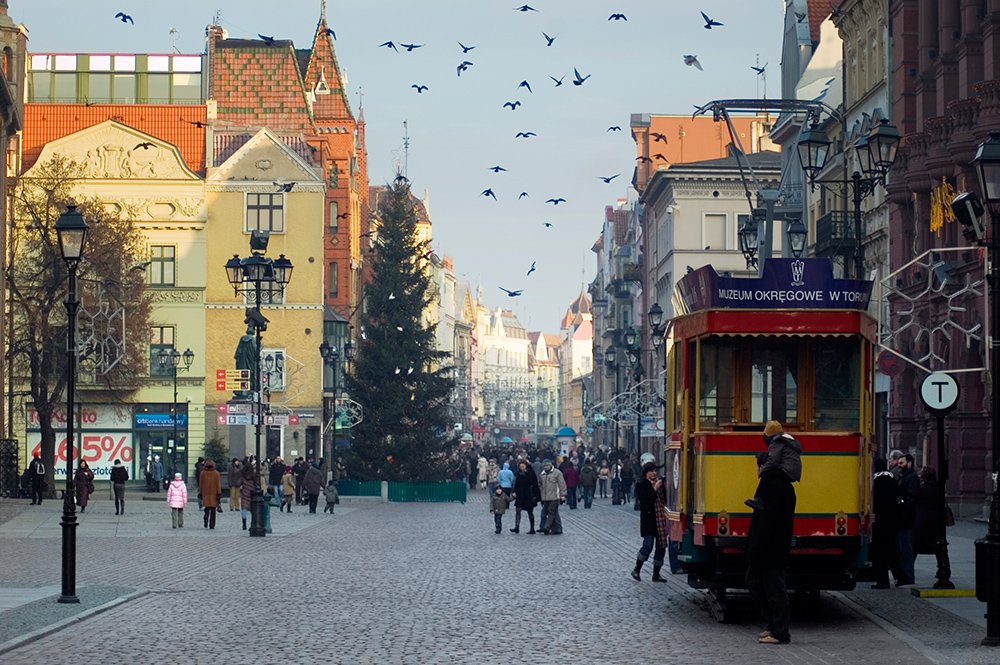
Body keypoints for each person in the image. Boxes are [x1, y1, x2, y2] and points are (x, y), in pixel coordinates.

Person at [746, 451, 796, 645]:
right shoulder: (782, 485)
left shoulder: (771, 485)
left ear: (763, 466)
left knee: (773, 588)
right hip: (772, 547)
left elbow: (766, 523)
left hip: (769, 548)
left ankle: (780, 631)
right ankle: (773, 625)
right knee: (759, 583)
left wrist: (755, 547)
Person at [744, 421, 802, 512]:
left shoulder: (777, 441)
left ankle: (758, 499)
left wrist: (762, 471)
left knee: (768, 474)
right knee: (771, 473)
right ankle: (758, 499)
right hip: (793, 472)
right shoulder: (787, 439)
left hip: (786, 470)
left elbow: (773, 461)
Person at [913, 465, 953, 589]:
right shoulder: (939, 489)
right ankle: (944, 571)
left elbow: (914, 502)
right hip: (937, 523)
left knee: (914, 547)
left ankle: (908, 573)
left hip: (922, 523)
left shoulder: (921, 489)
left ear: (924, 477)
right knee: (940, 548)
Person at [631, 462, 669, 582]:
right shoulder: (641, 484)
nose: (654, 473)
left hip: (660, 519)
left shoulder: (660, 484)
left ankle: (656, 574)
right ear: (646, 473)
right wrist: (654, 489)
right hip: (649, 521)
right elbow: (645, 500)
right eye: (652, 471)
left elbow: (665, 499)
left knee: (661, 547)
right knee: (648, 545)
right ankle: (637, 569)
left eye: (655, 471)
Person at [870, 458, 901, 589]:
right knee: (892, 550)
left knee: (879, 553)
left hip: (879, 521)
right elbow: (898, 497)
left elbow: (873, 501)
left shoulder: (875, 480)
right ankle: (900, 577)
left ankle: (882, 580)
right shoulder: (891, 478)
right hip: (891, 520)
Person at [895, 453, 919, 586]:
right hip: (902, 518)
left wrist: (900, 502)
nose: (899, 465)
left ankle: (908, 576)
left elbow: (911, 497)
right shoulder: (903, 476)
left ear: (909, 463)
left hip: (906, 518)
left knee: (905, 549)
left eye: (901, 463)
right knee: (901, 548)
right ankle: (905, 575)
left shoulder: (912, 478)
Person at [511, 460, 541, 534]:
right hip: (520, 495)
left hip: (528, 495)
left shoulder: (531, 473)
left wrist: (536, 496)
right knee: (518, 510)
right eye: (520, 466)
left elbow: (535, 484)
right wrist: (514, 491)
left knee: (530, 512)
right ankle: (517, 527)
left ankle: (532, 528)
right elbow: (516, 484)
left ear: (526, 466)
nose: (522, 467)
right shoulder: (518, 473)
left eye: (523, 466)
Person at [538, 459, 566, 535]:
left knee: (551, 512)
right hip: (545, 497)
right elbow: (540, 485)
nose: (546, 467)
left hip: (554, 497)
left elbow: (562, 484)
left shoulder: (557, 473)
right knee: (548, 513)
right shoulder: (542, 474)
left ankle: (546, 527)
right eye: (544, 466)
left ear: (551, 465)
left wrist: (563, 495)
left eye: (547, 465)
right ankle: (557, 528)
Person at [200, 459, 222, 530]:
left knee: (206, 507)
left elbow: (201, 484)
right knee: (213, 510)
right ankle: (212, 524)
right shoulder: (216, 473)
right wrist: (219, 493)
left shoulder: (203, 473)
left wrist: (200, 492)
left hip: (205, 493)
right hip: (213, 494)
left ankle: (206, 517)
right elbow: (218, 484)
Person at [240, 462, 255, 530]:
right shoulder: (253, 475)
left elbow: (239, 483)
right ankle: (252, 523)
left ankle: (244, 524)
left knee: (244, 509)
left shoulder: (243, 475)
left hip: (244, 493)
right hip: (252, 493)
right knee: (253, 509)